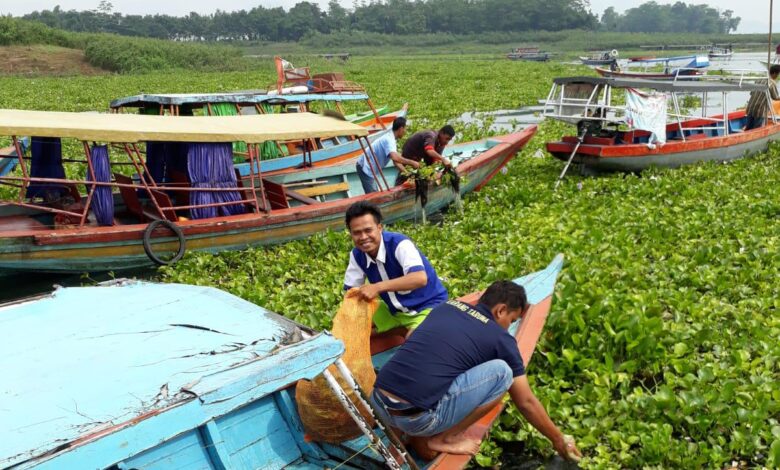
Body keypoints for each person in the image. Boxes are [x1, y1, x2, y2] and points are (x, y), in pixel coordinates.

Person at [370, 281, 581, 459]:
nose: (509, 326)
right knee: (503, 373)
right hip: (416, 420)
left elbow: (412, 336)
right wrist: (557, 439)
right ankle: (446, 438)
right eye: (512, 320)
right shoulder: (501, 338)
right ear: (500, 310)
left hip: (377, 402)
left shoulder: (446, 307)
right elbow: (525, 401)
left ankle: (400, 433)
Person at [343, 201, 447, 334]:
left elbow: (420, 278)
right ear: (351, 234)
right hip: (393, 311)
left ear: (379, 228)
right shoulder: (357, 255)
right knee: (351, 330)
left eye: (368, 230)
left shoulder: (399, 244)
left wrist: (377, 287)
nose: (363, 237)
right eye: (357, 233)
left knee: (415, 345)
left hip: (428, 307)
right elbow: (350, 292)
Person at [355, 117, 420, 194]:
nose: (405, 131)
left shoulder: (391, 138)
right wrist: (412, 162)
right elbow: (394, 157)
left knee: (375, 193)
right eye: (405, 129)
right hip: (365, 166)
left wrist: (408, 174)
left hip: (369, 167)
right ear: (401, 128)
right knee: (373, 196)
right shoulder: (389, 140)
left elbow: (396, 162)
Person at [745, 64, 780, 130]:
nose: (778, 76)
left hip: (750, 107)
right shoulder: (771, 83)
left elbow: (751, 93)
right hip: (760, 110)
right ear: (775, 73)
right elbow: (775, 97)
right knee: (757, 129)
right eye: (778, 74)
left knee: (748, 128)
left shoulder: (759, 79)